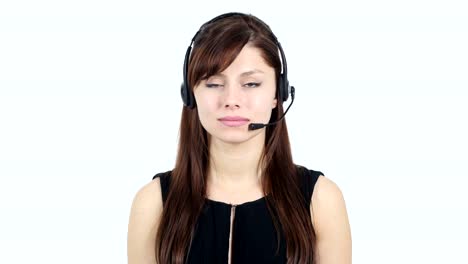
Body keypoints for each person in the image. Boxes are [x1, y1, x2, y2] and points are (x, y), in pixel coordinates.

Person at [127, 12, 351, 264]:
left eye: (251, 84)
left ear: (278, 93)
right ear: (190, 94)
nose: (231, 100)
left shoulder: (321, 202)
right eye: (213, 84)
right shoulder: (153, 204)